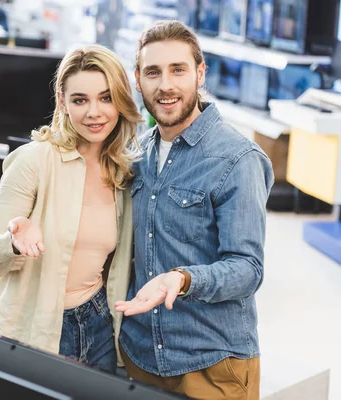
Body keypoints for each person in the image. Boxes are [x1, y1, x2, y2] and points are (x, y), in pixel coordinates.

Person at [114, 20, 274, 399]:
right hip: (140, 357)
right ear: (138, 80)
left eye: (178, 70)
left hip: (211, 365)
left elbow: (248, 269)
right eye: (153, 72)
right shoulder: (138, 154)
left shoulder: (237, 158)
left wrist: (184, 279)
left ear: (200, 74)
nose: (165, 85)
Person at [0, 44, 142, 373]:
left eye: (106, 98)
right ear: (62, 101)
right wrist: (12, 243)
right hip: (35, 328)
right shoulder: (34, 160)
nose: (95, 112)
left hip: (98, 325)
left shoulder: (121, 170)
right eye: (80, 100)